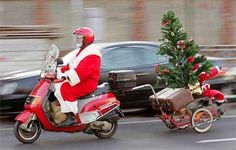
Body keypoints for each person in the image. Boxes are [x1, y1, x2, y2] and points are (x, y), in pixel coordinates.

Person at [53, 27, 102, 126]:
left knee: (66, 89)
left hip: (88, 82)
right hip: (81, 80)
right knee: (57, 85)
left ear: (86, 39)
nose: (77, 39)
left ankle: (72, 117)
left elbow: (82, 72)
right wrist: (57, 71)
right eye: (77, 37)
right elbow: (70, 65)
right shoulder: (82, 51)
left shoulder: (92, 54)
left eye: (79, 37)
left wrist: (64, 76)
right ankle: (62, 111)